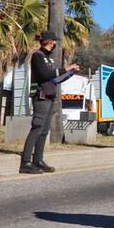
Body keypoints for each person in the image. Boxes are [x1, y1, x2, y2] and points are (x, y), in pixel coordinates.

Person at [20, 32, 79, 174]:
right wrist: (66, 68)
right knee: (37, 127)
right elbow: (44, 75)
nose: (55, 44)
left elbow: (54, 79)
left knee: (45, 130)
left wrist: (70, 73)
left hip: (50, 96)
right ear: (48, 41)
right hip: (41, 96)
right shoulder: (37, 56)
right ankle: (25, 162)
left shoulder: (49, 60)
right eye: (53, 41)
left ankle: (38, 160)